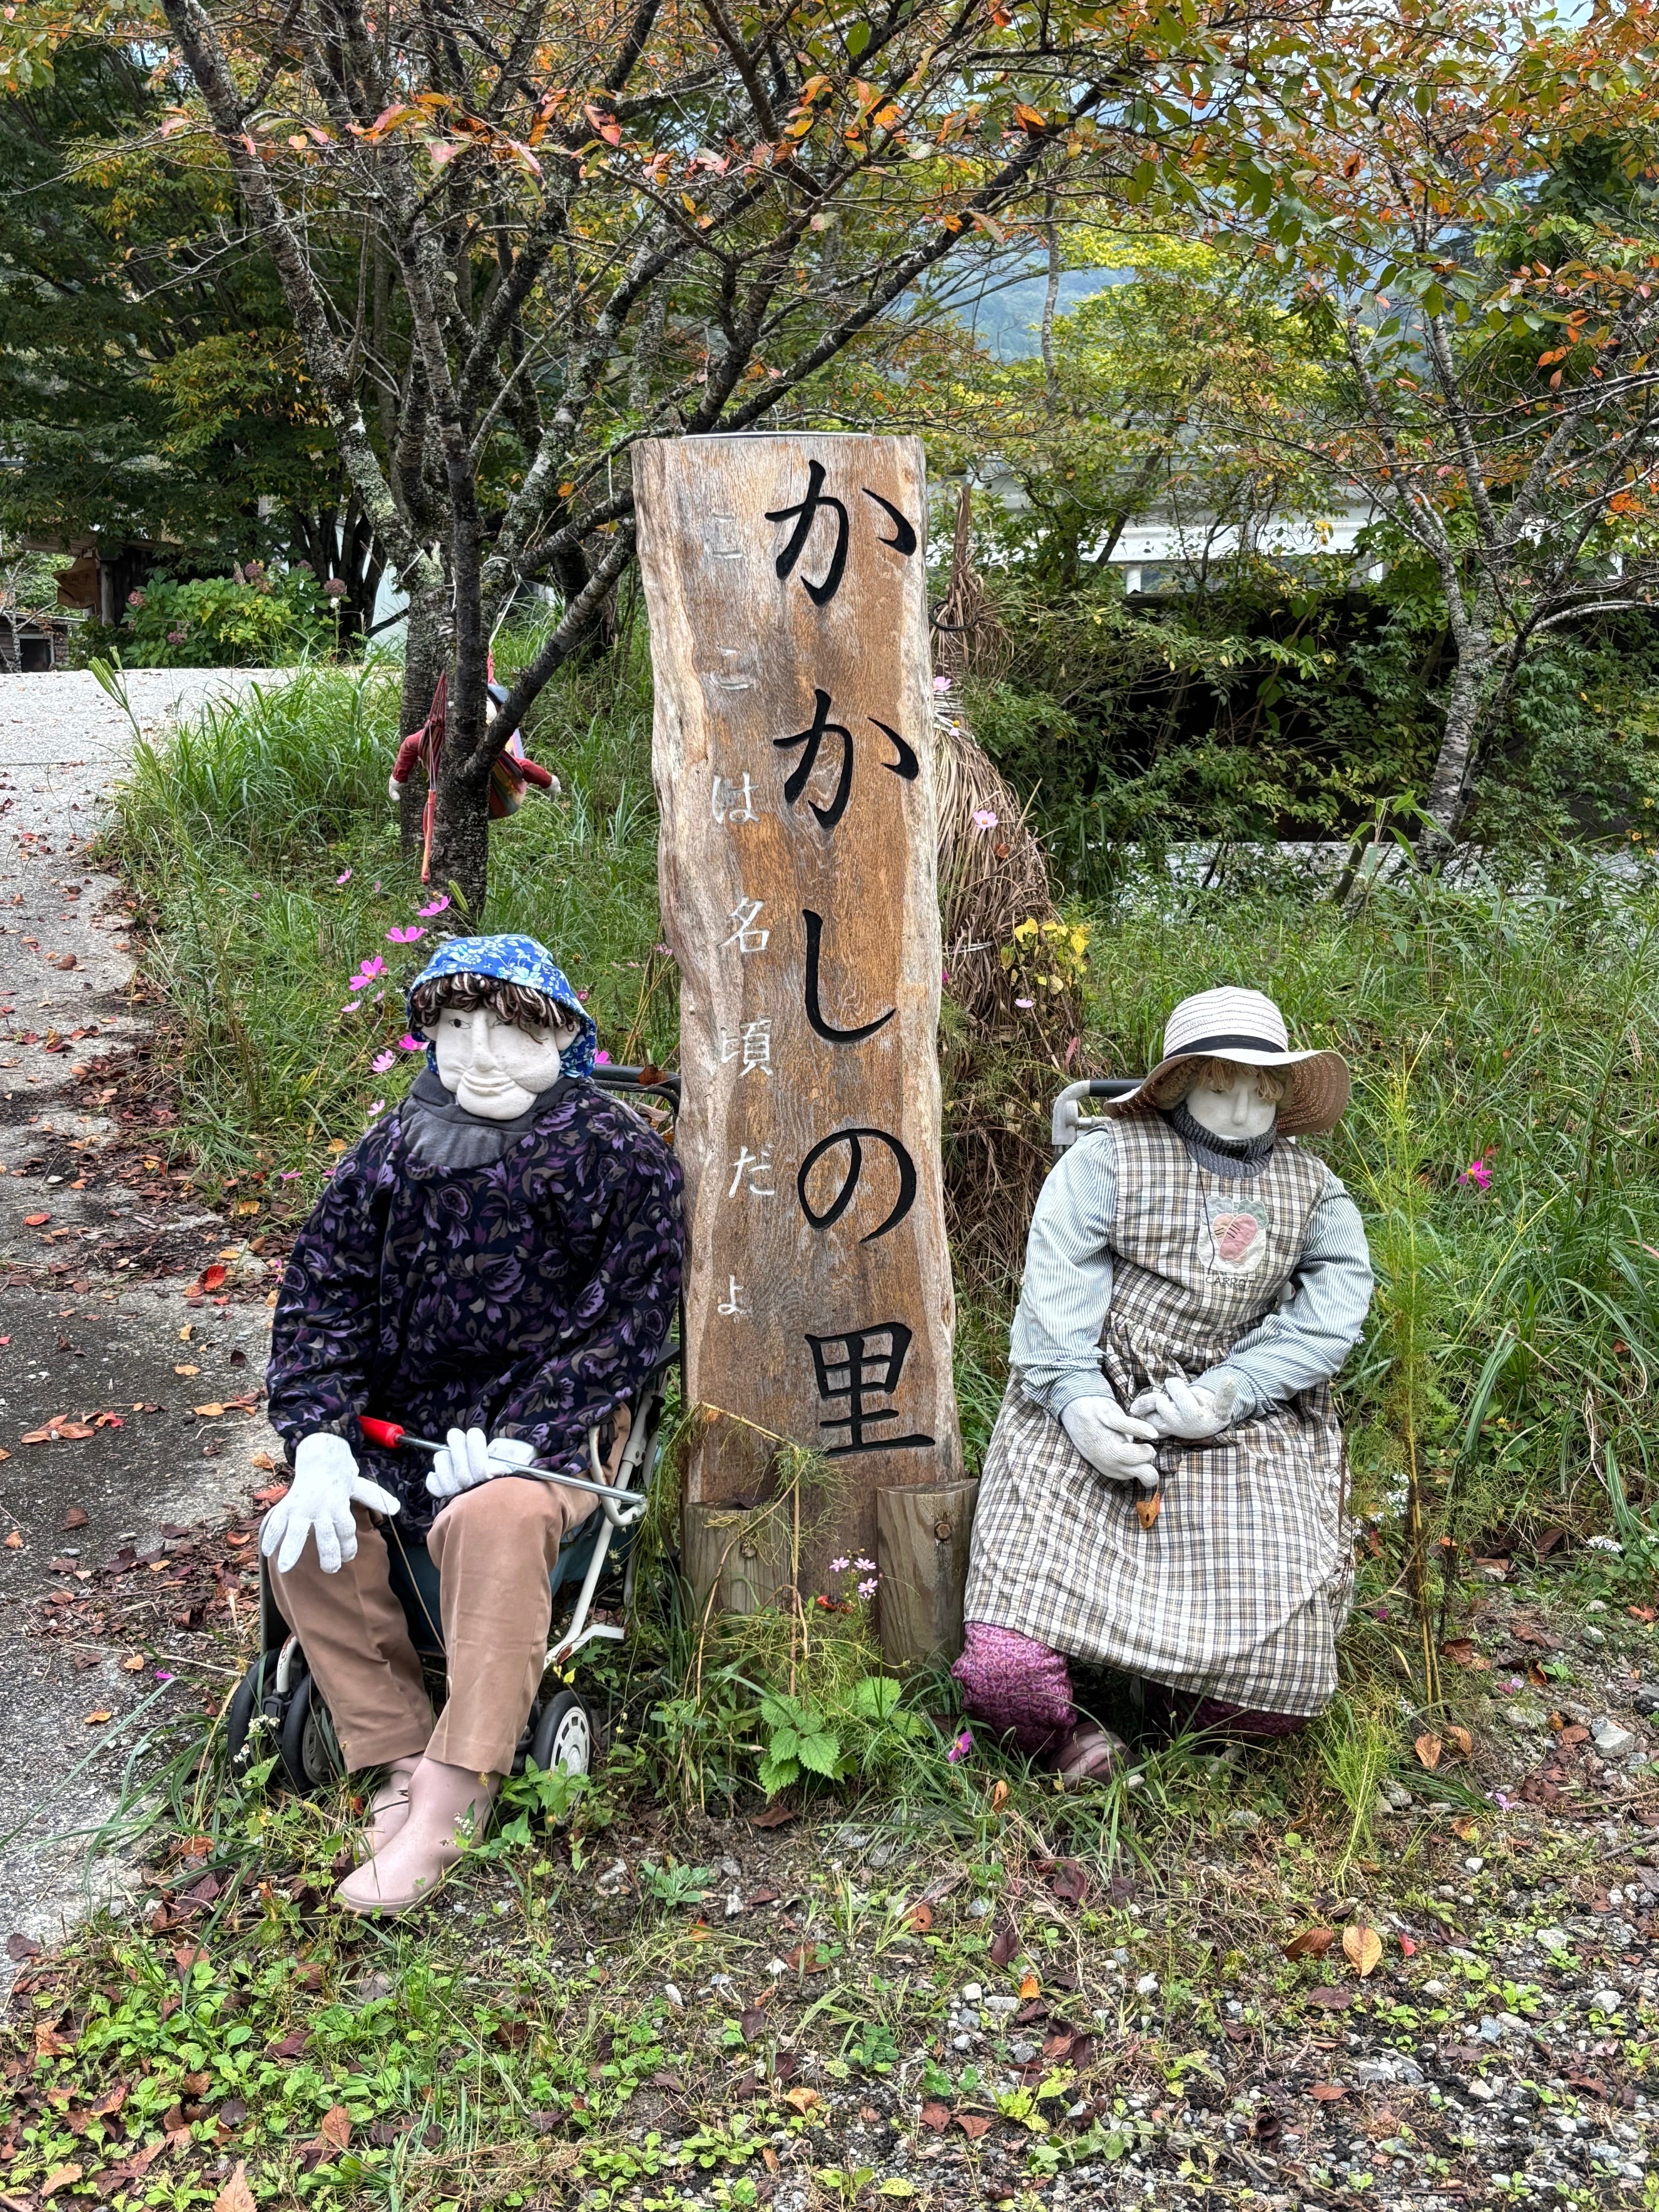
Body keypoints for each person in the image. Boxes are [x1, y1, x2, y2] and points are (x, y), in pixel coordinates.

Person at [263, 934, 684, 1911]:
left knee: (493, 1522)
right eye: (456, 1028)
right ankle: (399, 1757)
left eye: (506, 1030)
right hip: (398, 1433)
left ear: (561, 1035)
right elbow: (322, 1294)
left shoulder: (618, 1158)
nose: (480, 1053)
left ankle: (457, 1796)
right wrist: (321, 1435)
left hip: (550, 1433)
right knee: (304, 1531)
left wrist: (525, 1437)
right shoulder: (388, 1154)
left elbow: (624, 1321)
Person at [954, 985, 1373, 1782]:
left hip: (1241, 1416)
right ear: (1180, 1083)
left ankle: (1175, 1705)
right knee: (1003, 1674)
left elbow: (1327, 1321)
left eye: (1261, 1087)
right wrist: (1081, 1407)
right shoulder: (1105, 1160)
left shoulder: (1314, 1193)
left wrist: (1227, 1393)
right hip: (1090, 1393)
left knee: (1273, 1689)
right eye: (1220, 1085)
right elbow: (1055, 1300)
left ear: (1284, 1091)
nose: (1243, 1107)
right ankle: (1067, 1733)